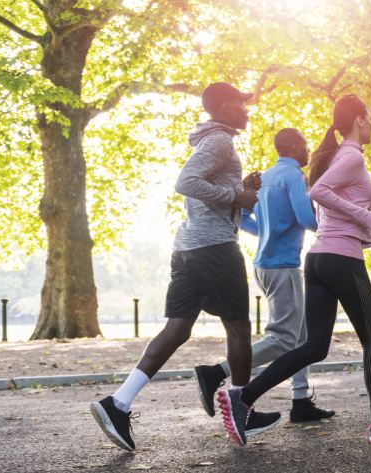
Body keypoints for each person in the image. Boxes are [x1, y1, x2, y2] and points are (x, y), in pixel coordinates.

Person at [218, 94, 371, 446]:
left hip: (319, 259)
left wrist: (367, 203)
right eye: (369, 117)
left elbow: (327, 204)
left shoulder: (340, 157)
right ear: (358, 120)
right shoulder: (352, 155)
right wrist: (366, 216)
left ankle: (243, 397)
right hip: (342, 259)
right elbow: (320, 192)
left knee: (314, 346)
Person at [91, 82, 277, 451]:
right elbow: (186, 182)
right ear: (224, 106)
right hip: (215, 249)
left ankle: (118, 403)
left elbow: (208, 191)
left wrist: (241, 187)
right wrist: (235, 195)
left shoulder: (213, 140)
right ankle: (242, 408)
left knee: (177, 330)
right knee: (239, 329)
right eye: (241, 103)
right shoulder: (220, 141)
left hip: (188, 248)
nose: (247, 110)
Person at [193, 128, 334, 424]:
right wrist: (338, 221)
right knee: (283, 339)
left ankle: (300, 401)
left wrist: (271, 230)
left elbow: (246, 220)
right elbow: (307, 219)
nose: (308, 150)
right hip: (283, 266)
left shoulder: (266, 177)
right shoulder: (294, 176)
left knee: (302, 336)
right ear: (294, 147)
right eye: (305, 145)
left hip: (264, 265)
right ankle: (216, 372)